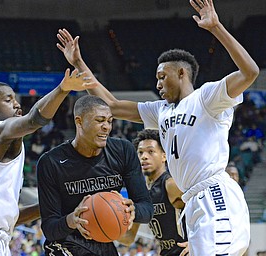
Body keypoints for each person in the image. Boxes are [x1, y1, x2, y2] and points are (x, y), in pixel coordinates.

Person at [56, 0, 259, 254]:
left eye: (163, 77)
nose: (158, 84)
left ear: (182, 74)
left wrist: (216, 28)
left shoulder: (206, 97)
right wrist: (79, 63)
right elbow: (112, 105)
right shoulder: (160, 110)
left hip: (213, 192)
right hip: (192, 202)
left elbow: (250, 72)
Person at [0, 68, 97, 256]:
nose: (17, 104)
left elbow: (10, 218)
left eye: (15, 99)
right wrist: (63, 89)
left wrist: (58, 202)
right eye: (8, 100)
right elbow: (33, 120)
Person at [36, 95, 153, 256]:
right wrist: (72, 220)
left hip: (102, 241)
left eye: (110, 121)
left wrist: (133, 210)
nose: (107, 127)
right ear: (79, 121)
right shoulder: (51, 162)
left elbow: (147, 208)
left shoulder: (123, 151)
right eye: (100, 120)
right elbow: (50, 229)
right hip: (65, 243)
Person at [118, 129, 187, 256]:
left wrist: (197, 241)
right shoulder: (140, 194)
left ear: (164, 156)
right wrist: (105, 231)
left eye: (151, 151)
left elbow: (204, 208)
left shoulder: (170, 184)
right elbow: (129, 238)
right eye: (140, 152)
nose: (144, 156)